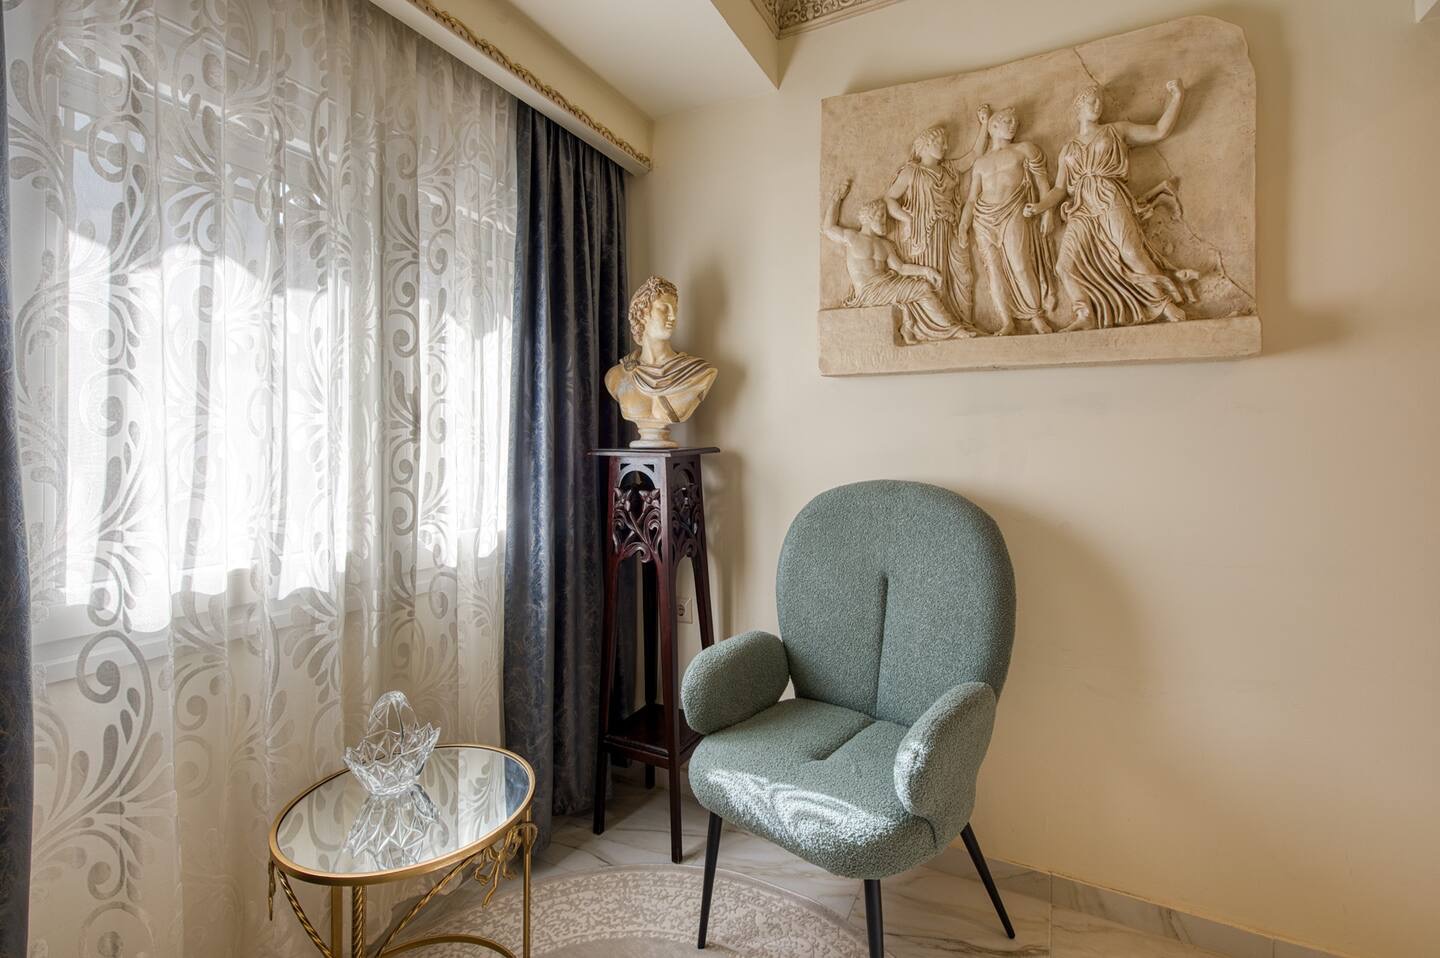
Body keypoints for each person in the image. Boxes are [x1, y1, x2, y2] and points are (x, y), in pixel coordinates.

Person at [1025, 81, 1190, 329]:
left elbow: (1158, 131)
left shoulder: (1116, 130)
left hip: (1110, 196)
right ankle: (1085, 315)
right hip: (1081, 207)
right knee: (1064, 266)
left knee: (1131, 252)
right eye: (1092, 101)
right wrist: (1039, 206)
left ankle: (1164, 304)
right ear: (1079, 107)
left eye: (1100, 101)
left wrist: (1177, 96)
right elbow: (1059, 189)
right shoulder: (1068, 148)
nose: (1098, 105)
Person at [822, 179, 975, 344]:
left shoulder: (885, 245)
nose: (885, 221)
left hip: (887, 286)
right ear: (868, 217)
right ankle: (953, 330)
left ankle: (912, 328)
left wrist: (926, 271)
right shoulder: (852, 238)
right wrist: (836, 198)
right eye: (881, 216)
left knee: (919, 285)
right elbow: (828, 228)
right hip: (868, 292)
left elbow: (901, 268)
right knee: (922, 288)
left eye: (886, 217)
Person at [884, 106, 991, 321]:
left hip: (951, 228)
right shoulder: (911, 171)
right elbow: (890, 199)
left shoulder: (949, 168)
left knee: (964, 276)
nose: (946, 146)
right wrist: (907, 219)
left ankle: (964, 321)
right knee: (935, 275)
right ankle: (939, 326)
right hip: (925, 232)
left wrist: (985, 123)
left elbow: (975, 155)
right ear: (926, 144)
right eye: (941, 142)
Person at [959, 107, 1058, 335]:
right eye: (1007, 121)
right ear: (993, 126)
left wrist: (1047, 213)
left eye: (1015, 121)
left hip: (1013, 211)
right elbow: (972, 198)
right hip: (983, 219)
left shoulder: (1024, 149)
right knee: (993, 271)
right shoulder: (980, 163)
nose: (1013, 124)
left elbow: (1043, 184)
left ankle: (1036, 316)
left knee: (1020, 264)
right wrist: (963, 225)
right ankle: (1006, 321)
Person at [605, 276, 718, 448]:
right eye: (664, 309)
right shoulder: (617, 376)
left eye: (675, 310)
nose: (672, 317)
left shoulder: (699, 373)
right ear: (643, 314)